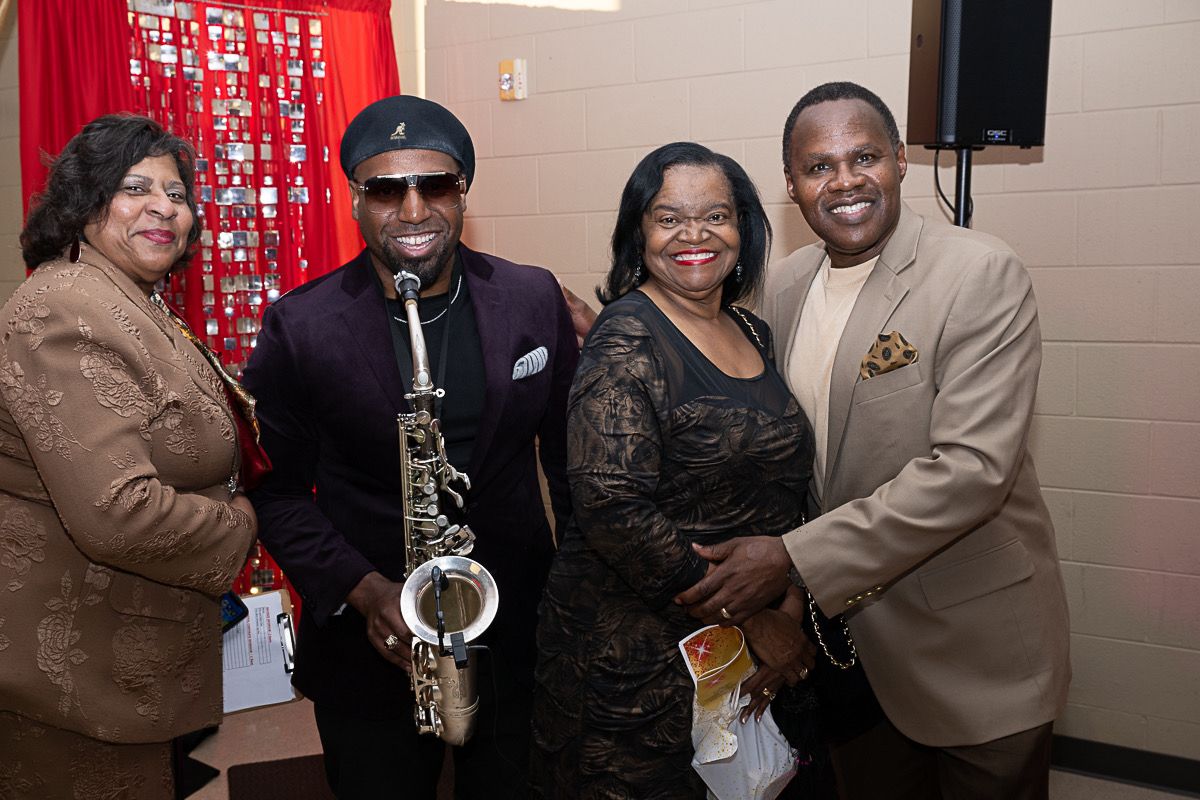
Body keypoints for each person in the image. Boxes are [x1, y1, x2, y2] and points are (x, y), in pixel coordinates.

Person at [676, 82, 1071, 799]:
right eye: (819, 166)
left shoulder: (978, 272)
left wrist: (793, 559)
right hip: (849, 658)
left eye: (864, 157)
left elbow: (972, 472)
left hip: (974, 653)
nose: (845, 181)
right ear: (791, 184)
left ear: (900, 161)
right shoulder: (784, 284)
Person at [242, 95, 578, 798]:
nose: (414, 209)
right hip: (370, 642)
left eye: (437, 185)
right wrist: (366, 592)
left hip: (516, 628)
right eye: (386, 190)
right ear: (355, 200)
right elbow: (274, 494)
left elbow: (571, 464)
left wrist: (577, 600)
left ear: (464, 192)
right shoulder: (301, 326)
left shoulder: (533, 296)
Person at [531, 142, 820, 799]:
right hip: (636, 662)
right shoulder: (625, 338)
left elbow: (778, 484)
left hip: (734, 649)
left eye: (715, 215)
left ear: (743, 228)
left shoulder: (752, 330)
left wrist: (789, 591)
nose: (695, 234)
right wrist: (753, 618)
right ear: (639, 234)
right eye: (669, 218)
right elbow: (613, 510)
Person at [0, 114, 258, 798]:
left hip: (124, 648)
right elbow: (119, 513)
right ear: (84, 203)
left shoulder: (130, 299)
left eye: (177, 194)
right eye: (134, 188)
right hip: (69, 674)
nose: (163, 208)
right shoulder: (66, 308)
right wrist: (239, 526)